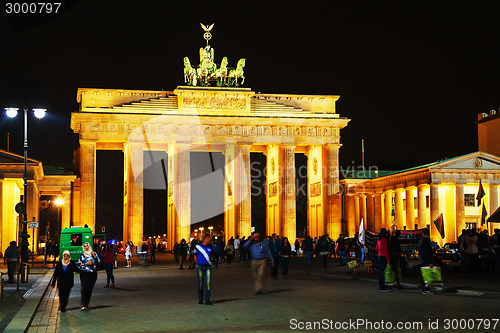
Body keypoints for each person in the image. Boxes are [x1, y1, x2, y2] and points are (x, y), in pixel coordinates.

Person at [77, 242, 100, 310]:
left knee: (89, 289)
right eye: (84, 246)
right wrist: (87, 263)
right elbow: (79, 265)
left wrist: (94, 256)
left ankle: (86, 304)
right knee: (84, 288)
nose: (86, 247)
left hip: (93, 274)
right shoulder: (82, 256)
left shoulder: (94, 254)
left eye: (87, 246)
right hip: (84, 273)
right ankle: (84, 303)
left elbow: (99, 262)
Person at [194, 235, 213, 305]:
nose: (210, 240)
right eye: (209, 238)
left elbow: (211, 255)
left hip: (208, 267)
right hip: (200, 267)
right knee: (201, 283)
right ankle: (200, 299)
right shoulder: (197, 247)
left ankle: (207, 299)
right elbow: (195, 256)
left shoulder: (211, 247)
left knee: (208, 283)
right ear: (205, 239)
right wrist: (198, 263)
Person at [418, 228, 434, 295]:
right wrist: (430, 261)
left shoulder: (421, 241)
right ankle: (426, 289)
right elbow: (427, 252)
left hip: (422, 259)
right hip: (426, 260)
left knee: (424, 275)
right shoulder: (426, 241)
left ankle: (424, 289)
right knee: (426, 275)